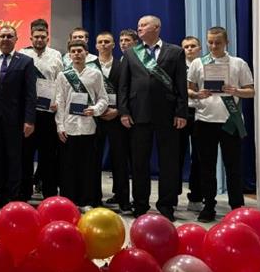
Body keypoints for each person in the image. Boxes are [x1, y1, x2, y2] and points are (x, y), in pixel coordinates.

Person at [118, 15, 188, 222]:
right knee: (139, 163)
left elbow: (181, 85)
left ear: (156, 27)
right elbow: (124, 85)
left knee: (169, 163)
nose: (139, 28)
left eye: (144, 25)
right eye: (138, 25)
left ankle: (166, 205)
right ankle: (140, 205)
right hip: (138, 114)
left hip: (168, 115)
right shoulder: (131, 53)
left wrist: (181, 112)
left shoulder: (175, 52)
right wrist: (124, 111)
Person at [187, 27, 254, 222]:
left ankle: (236, 207)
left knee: (233, 167)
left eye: (218, 42)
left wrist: (236, 91)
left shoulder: (238, 63)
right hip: (204, 121)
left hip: (230, 122)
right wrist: (197, 94)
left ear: (227, 43)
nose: (214, 46)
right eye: (210, 42)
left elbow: (251, 91)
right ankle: (209, 206)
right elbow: (188, 89)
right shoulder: (198, 63)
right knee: (206, 167)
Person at [0, 26, 37, 207]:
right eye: (2, 36)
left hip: (16, 121)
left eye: (9, 36)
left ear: (16, 39)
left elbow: (30, 94)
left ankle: (13, 194)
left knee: (14, 158)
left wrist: (29, 120)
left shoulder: (26, 61)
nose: (5, 39)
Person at [55, 41, 109, 209]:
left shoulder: (95, 74)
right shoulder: (63, 75)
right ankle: (69, 201)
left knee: (88, 168)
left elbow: (103, 98)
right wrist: (60, 126)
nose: (77, 54)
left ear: (86, 53)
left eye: (80, 51)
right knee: (68, 167)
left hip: (89, 126)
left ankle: (87, 201)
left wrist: (96, 109)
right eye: (73, 51)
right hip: (69, 127)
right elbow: (60, 101)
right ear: (69, 55)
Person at [20, 21, 63, 200]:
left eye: (42, 37)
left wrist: (58, 102)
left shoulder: (56, 55)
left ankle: (49, 193)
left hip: (48, 113)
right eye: (36, 37)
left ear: (47, 38)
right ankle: (24, 193)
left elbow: (61, 82)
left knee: (48, 156)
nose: (39, 39)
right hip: (28, 113)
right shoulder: (22, 54)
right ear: (31, 38)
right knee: (25, 155)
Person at [91, 32, 131, 212]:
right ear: (96, 45)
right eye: (100, 42)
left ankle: (123, 199)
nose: (103, 44)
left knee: (120, 160)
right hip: (95, 118)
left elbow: (127, 91)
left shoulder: (122, 65)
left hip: (116, 117)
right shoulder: (90, 66)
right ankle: (94, 198)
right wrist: (96, 110)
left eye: (107, 42)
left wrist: (119, 111)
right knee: (94, 160)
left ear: (113, 45)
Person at [180, 36, 203, 212]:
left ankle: (196, 196)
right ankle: (173, 196)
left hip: (201, 112)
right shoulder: (177, 66)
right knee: (177, 155)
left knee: (199, 156)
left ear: (200, 48)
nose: (189, 49)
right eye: (186, 46)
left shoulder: (206, 66)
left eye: (193, 46)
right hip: (182, 112)